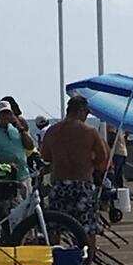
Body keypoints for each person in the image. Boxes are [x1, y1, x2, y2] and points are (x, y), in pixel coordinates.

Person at [38, 93, 111, 234]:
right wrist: (90, 164)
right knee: (87, 229)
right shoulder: (90, 131)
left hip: (59, 184)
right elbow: (102, 157)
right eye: (87, 113)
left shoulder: (52, 131)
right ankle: (89, 256)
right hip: (82, 184)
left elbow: (45, 156)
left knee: (55, 227)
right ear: (81, 111)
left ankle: (57, 254)